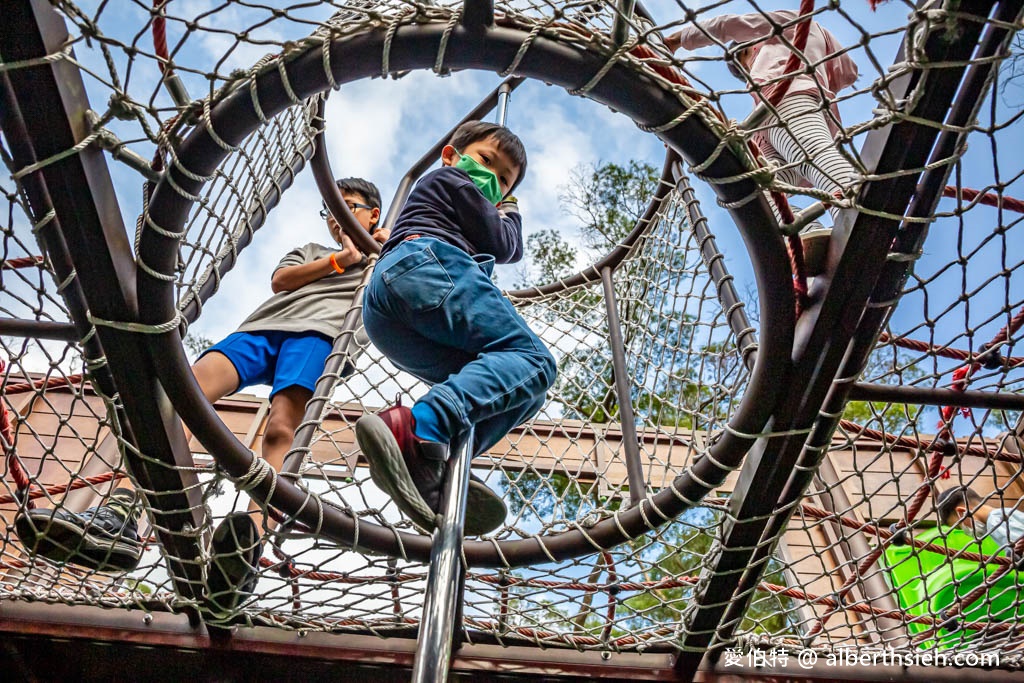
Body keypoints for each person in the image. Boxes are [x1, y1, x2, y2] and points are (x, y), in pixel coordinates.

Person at [15, 178, 386, 608]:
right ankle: (119, 512)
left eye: (349, 209)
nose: (338, 220)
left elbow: (413, 257)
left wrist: (379, 244)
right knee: (177, 392)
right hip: (263, 329)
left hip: (321, 335)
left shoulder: (383, 256)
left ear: (373, 213)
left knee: (282, 430)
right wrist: (339, 260)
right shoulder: (316, 251)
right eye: (331, 213)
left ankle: (246, 550)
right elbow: (281, 280)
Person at [355, 121, 556, 538]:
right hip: (429, 265)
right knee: (534, 363)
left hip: (390, 311)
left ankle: (432, 461)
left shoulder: (453, 191)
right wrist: (510, 209)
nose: (492, 178)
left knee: (521, 394)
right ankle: (420, 427)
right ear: (452, 155)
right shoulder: (452, 178)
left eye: (504, 180)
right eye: (486, 160)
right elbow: (506, 246)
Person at [664, 10, 859, 275]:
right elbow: (847, 71)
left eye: (744, 55)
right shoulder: (815, 49)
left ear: (754, 41)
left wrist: (677, 39)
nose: (746, 69)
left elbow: (729, 23)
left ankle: (858, 216)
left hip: (788, 100)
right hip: (774, 124)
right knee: (763, 194)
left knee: (814, 156)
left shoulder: (788, 28)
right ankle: (809, 234)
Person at [936, 486, 1024, 552]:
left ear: (962, 513)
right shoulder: (1005, 512)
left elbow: (1018, 548)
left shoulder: (994, 521)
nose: (966, 531)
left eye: (960, 526)